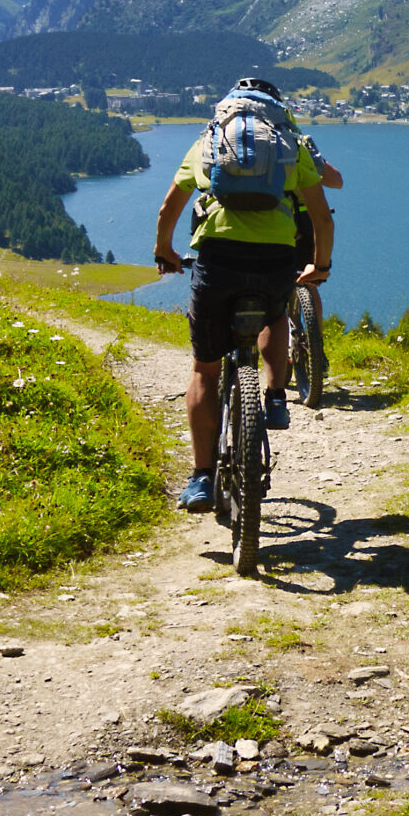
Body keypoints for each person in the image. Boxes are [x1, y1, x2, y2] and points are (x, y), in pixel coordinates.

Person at [153, 78, 333, 515]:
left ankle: (201, 478)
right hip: (275, 261)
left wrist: (165, 252)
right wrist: (320, 265)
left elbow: (169, 207)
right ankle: (276, 398)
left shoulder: (209, 143)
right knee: (275, 316)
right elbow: (322, 218)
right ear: (276, 111)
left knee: (205, 370)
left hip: (218, 261)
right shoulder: (290, 147)